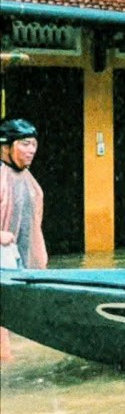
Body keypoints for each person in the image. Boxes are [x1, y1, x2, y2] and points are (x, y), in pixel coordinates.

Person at [1, 118, 48, 362]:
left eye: (34, 144)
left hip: (18, 266)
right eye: (25, 144)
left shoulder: (28, 179)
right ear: (6, 146)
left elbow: (34, 224)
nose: (31, 150)